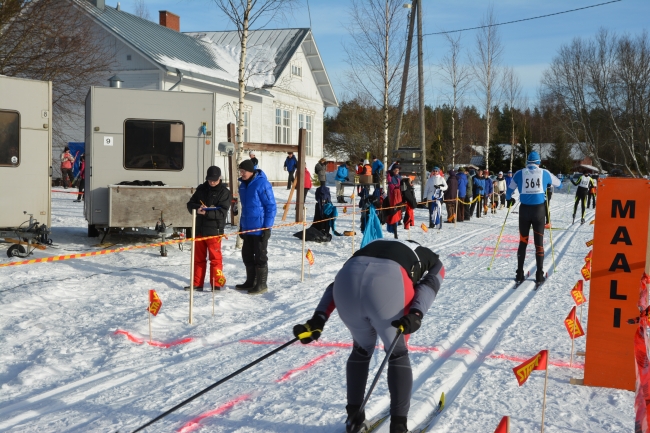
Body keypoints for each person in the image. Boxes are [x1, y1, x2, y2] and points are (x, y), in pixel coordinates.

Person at [292, 239, 445, 433]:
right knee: (397, 354)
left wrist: (318, 318)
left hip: (347, 284)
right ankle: (398, 426)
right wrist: (416, 313)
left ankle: (354, 419)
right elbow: (431, 283)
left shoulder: (373, 245)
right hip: (388, 285)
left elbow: (337, 284)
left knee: (361, 350)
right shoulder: (430, 256)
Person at [505, 151, 561, 285]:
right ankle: (539, 274)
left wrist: (509, 199)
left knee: (523, 242)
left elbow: (509, 190)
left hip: (524, 210)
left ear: (527, 161)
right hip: (539, 211)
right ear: (538, 162)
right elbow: (559, 184)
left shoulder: (519, 173)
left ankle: (519, 273)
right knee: (539, 243)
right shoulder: (544, 173)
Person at [186, 166, 232, 291]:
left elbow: (222, 213)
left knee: (215, 259)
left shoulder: (224, 192)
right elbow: (190, 204)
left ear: (219, 178)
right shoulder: (201, 188)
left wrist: (207, 212)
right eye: (210, 179)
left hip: (214, 231)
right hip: (199, 229)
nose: (212, 182)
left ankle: (216, 284)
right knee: (198, 259)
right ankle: (197, 283)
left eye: (215, 180)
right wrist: (197, 209)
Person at [235, 160, 277, 294]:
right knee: (246, 255)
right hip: (247, 227)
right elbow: (245, 209)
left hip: (259, 228)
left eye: (243, 171)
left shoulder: (262, 184)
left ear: (251, 171)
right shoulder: (242, 186)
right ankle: (250, 281)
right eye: (240, 171)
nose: (241, 174)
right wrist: (242, 227)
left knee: (260, 257)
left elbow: (271, 207)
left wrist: (267, 228)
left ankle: (261, 284)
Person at [386, 165, 402, 238]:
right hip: (392, 196)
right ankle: (395, 231)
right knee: (393, 212)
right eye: (395, 170)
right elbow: (391, 187)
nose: (397, 171)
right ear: (393, 170)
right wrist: (396, 187)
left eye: (398, 170)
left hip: (398, 196)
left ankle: (397, 225)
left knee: (398, 211)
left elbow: (401, 184)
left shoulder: (399, 176)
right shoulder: (390, 176)